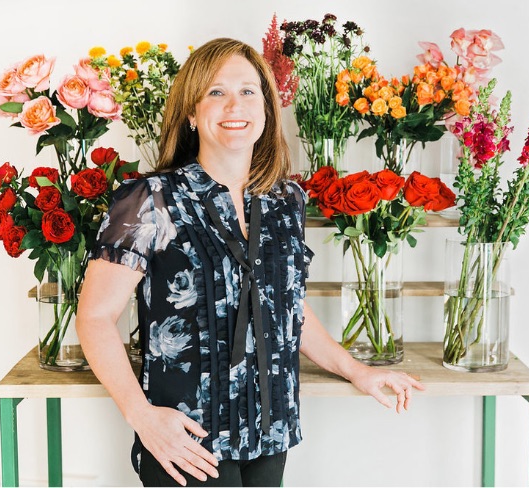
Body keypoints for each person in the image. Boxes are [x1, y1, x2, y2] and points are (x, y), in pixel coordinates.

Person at [76, 37, 425, 487]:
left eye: (248, 91)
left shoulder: (286, 200)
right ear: (191, 113)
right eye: (216, 92)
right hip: (185, 437)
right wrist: (141, 416)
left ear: (266, 107)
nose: (233, 105)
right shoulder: (150, 200)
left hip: (268, 428)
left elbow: (285, 308)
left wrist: (358, 371)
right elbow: (95, 316)